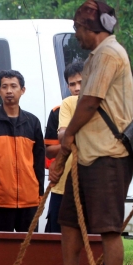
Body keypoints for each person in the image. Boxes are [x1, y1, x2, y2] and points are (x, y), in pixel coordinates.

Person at [38, 0, 133, 265]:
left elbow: (90, 102)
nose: (75, 33)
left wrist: (68, 137)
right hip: (90, 153)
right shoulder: (98, 55)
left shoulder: (108, 54)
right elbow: (87, 104)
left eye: (77, 27)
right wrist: (67, 150)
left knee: (108, 227)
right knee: (68, 220)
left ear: (90, 27)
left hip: (108, 154)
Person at [0, 70, 44, 232]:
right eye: (4, 86)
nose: (9, 91)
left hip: (29, 200)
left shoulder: (33, 122)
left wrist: (40, 194)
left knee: (28, 251)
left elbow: (39, 161)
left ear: (22, 90)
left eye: (14, 86)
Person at [44, 61, 83, 233]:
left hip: (90, 186)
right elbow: (50, 150)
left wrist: (70, 140)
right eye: (72, 84)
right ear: (67, 86)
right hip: (61, 185)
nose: (77, 88)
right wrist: (79, 142)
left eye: (81, 82)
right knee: (57, 236)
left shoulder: (101, 108)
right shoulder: (58, 111)